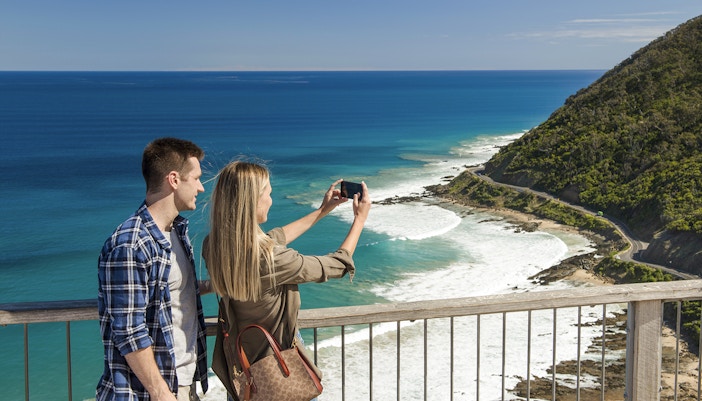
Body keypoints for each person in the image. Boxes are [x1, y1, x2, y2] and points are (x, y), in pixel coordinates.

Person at [203, 161, 371, 399]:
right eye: (268, 193)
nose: (271, 200)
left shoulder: (214, 246)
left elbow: (273, 239)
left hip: (243, 374)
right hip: (278, 370)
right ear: (252, 201)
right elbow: (336, 265)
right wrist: (360, 220)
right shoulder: (272, 259)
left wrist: (322, 210)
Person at [97, 137, 211, 401]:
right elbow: (129, 330)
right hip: (149, 393)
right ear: (173, 179)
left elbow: (171, 295)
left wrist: (220, 284)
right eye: (195, 178)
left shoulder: (177, 233)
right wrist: (161, 393)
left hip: (183, 383)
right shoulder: (130, 243)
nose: (201, 187)